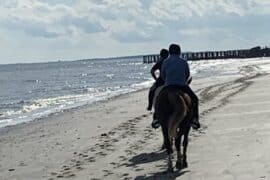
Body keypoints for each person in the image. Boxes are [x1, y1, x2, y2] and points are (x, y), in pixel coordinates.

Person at [160, 43, 200, 130]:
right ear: (179, 52)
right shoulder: (183, 61)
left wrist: (168, 80)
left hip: (169, 86)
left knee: (158, 99)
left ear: (170, 52)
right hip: (181, 86)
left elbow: (162, 75)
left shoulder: (165, 62)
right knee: (195, 99)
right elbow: (187, 75)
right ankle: (195, 119)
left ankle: (156, 118)